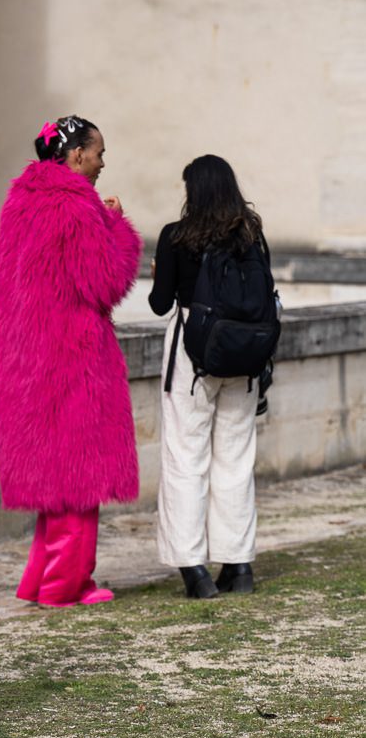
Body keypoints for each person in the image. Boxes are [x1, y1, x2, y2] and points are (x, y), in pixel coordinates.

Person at [0, 115, 143, 607]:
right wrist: (116, 226)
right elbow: (106, 283)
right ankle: (64, 586)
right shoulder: (75, 206)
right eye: (98, 153)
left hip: (29, 358)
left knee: (56, 484)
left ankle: (38, 581)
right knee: (80, 479)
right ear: (76, 155)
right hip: (71, 358)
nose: (102, 163)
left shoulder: (22, 200)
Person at [149, 154, 266, 598]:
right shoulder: (250, 234)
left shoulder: (176, 237)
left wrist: (162, 274)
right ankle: (239, 566)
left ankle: (194, 570)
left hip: (191, 357)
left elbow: (161, 304)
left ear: (193, 192)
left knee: (185, 458)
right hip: (242, 358)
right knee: (236, 460)